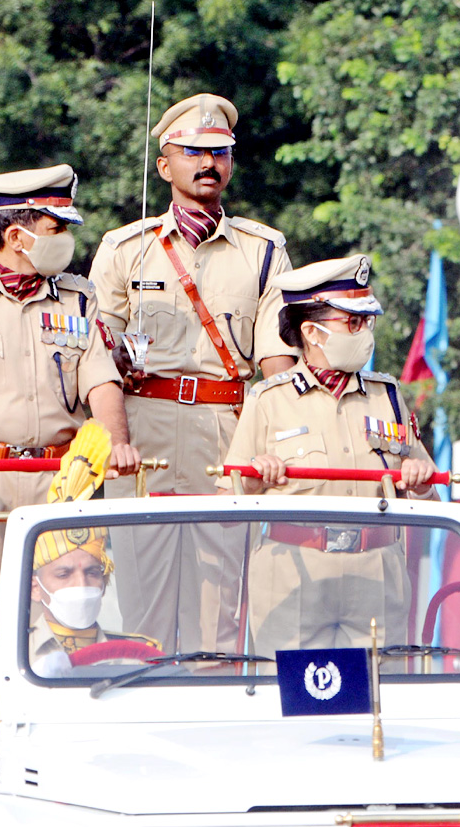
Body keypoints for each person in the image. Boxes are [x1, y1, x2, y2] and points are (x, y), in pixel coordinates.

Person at [0, 164, 137, 696]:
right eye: (58, 227)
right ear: (18, 236)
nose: (68, 239)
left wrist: (118, 443)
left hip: (64, 480)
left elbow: (102, 385)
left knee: (69, 630)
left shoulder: (79, 299)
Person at [90, 93, 294, 655]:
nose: (208, 164)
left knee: (220, 604)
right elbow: (94, 356)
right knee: (144, 599)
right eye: (192, 152)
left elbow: (277, 362)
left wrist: (277, 443)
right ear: (165, 166)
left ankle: (215, 715)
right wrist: (115, 438)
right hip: (143, 431)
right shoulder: (124, 247)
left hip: (225, 427)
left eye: (220, 153)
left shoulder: (264, 250)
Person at [216, 255, 435, 653]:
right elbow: (227, 513)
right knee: (295, 701)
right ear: (312, 332)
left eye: (367, 322)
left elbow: (430, 494)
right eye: (353, 322)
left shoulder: (387, 396)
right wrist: (251, 479)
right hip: (294, 572)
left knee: (377, 703)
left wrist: (419, 480)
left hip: (376, 571)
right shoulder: (267, 400)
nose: (365, 332)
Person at [0, 527, 158, 794]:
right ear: (36, 588)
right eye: (64, 574)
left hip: (129, 789)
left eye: (92, 573)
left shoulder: (140, 652)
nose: (81, 585)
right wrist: (34, 687)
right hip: (34, 797)